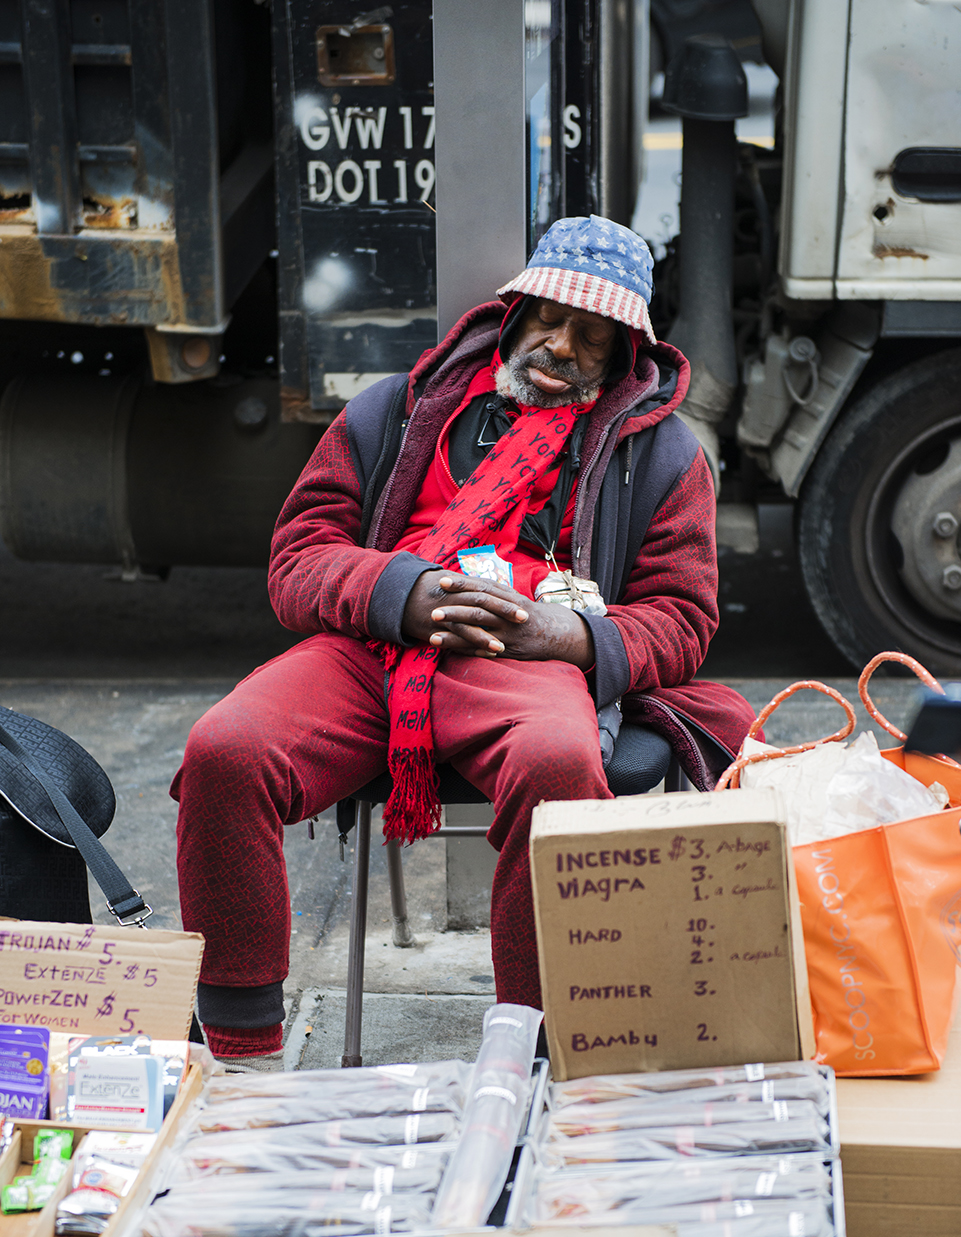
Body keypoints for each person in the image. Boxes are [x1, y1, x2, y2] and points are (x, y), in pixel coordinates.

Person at [171, 214, 755, 1070]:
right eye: (548, 321)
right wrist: (397, 593)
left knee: (561, 766)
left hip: (527, 663)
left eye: (590, 340)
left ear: (622, 357)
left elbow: (681, 620)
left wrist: (571, 635)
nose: (559, 347)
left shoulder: (666, 457)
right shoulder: (398, 409)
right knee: (223, 750)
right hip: (373, 650)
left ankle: (532, 1045)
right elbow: (298, 558)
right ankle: (240, 1052)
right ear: (513, 315)